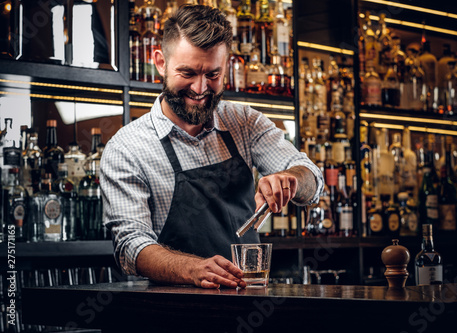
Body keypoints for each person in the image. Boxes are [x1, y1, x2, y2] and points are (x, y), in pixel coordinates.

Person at [100, 5, 323, 289]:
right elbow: (130, 247)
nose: (200, 88)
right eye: (188, 73)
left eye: (213, 75)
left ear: (226, 67)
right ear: (160, 63)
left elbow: (313, 179)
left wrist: (292, 179)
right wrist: (192, 268)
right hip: (170, 312)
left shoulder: (244, 122)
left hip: (246, 301)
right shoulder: (127, 148)